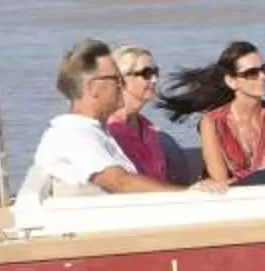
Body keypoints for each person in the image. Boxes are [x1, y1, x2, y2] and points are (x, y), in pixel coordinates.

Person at [25, 40, 183, 198]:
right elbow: (120, 183)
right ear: (92, 87)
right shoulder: (73, 135)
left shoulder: (93, 131)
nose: (121, 86)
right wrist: (187, 195)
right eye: (116, 79)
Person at [161, 40, 265, 189]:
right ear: (232, 81)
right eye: (252, 73)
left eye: (264, 69)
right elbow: (220, 182)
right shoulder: (212, 123)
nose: (263, 77)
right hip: (238, 199)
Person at [103, 45, 193, 186]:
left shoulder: (149, 129)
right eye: (146, 73)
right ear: (121, 79)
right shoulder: (107, 130)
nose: (154, 80)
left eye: (155, 72)